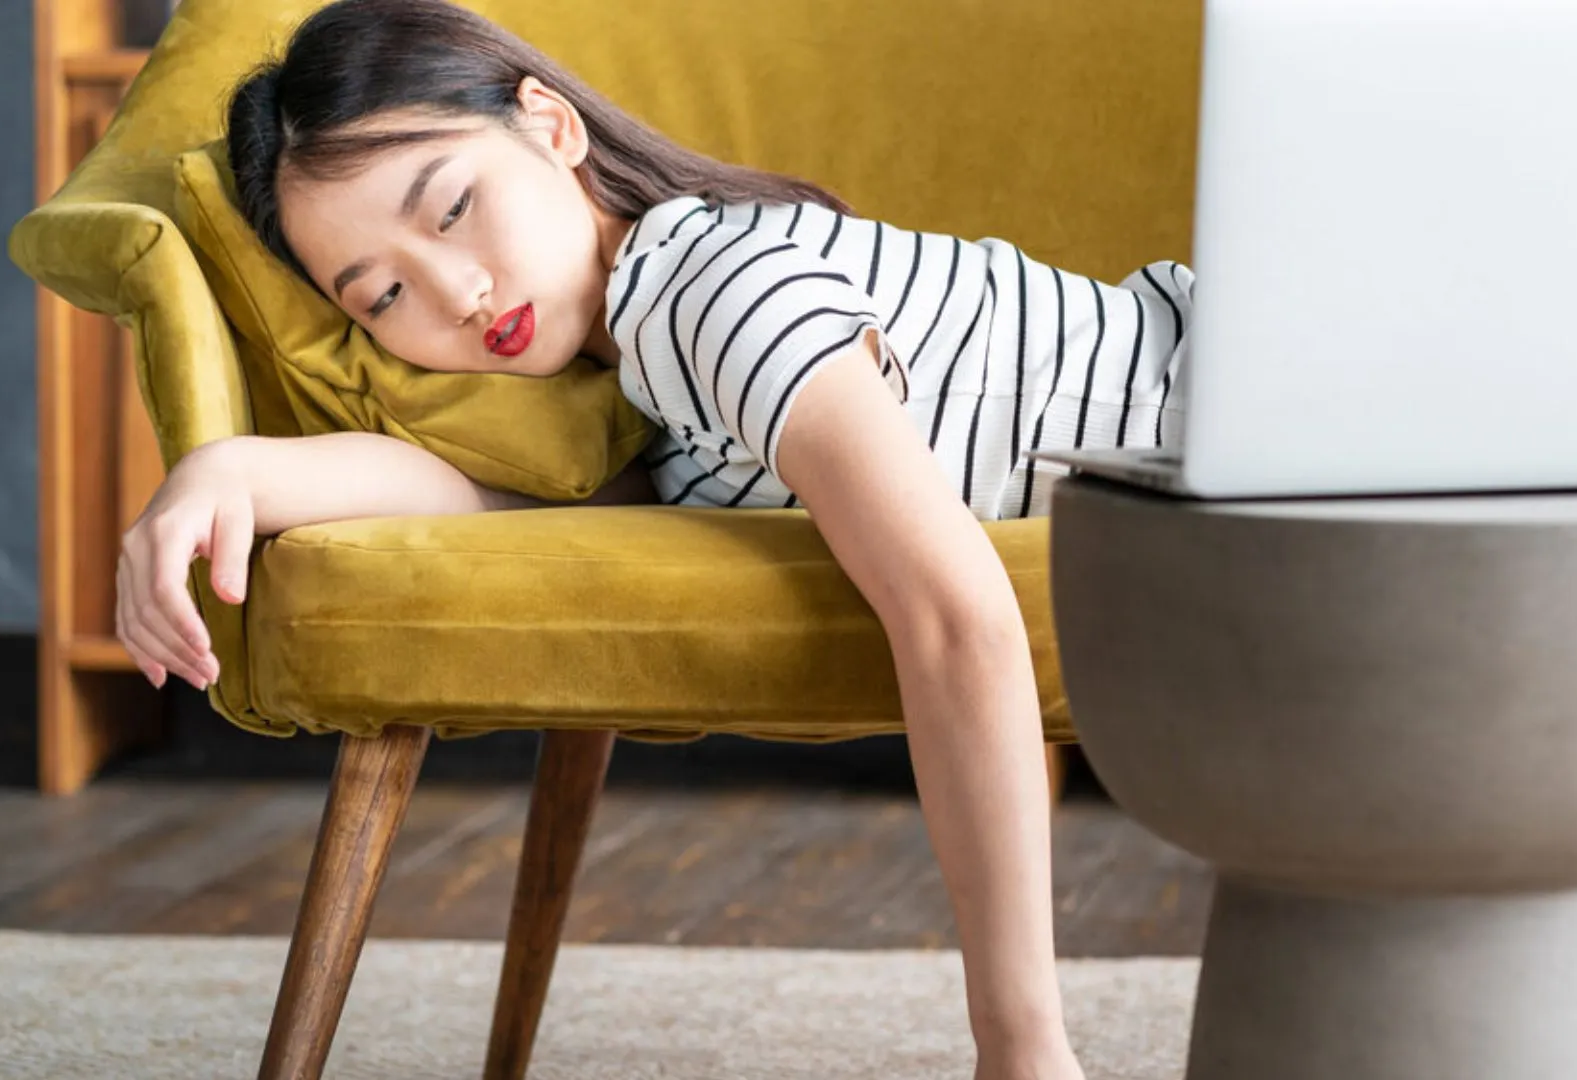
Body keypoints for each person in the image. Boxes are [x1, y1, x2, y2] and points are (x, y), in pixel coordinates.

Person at [116, 1, 1191, 1076]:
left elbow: (955, 613)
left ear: (551, 126)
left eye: (451, 207)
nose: (456, 292)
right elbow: (499, 503)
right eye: (386, 294)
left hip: (1248, 415)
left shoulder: (702, 295)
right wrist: (234, 469)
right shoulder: (636, 382)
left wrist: (1021, 1048)